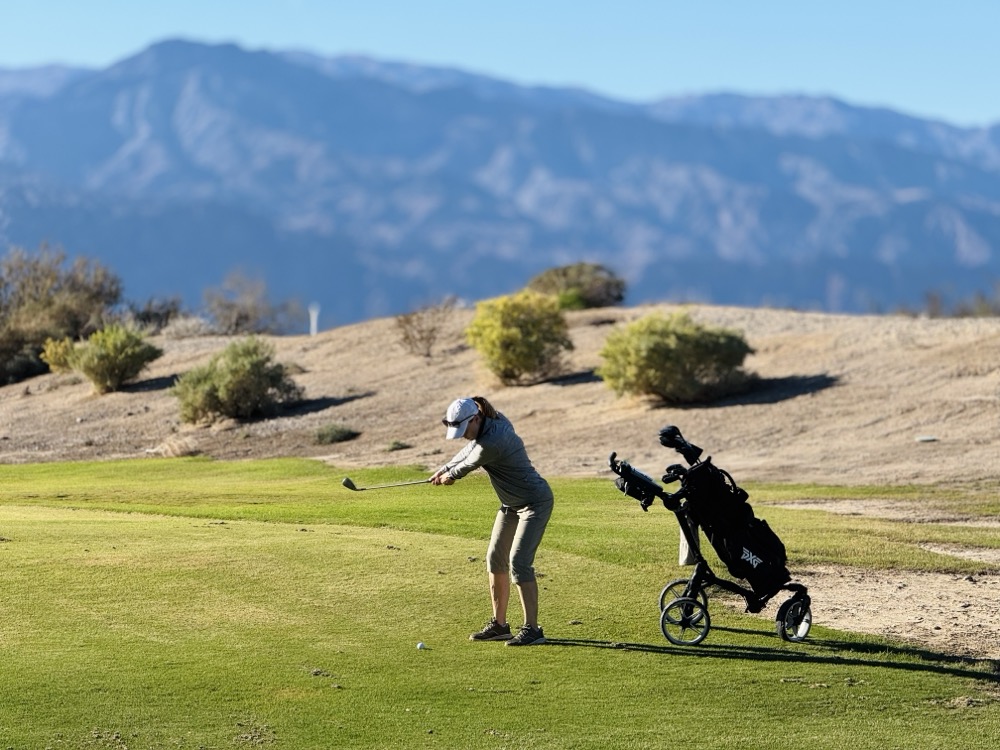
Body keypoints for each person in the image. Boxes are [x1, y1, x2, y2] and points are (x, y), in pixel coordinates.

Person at [430, 396, 553, 646]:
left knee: (519, 562)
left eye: (465, 429)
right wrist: (444, 467)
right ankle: (500, 625)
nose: (464, 435)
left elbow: (470, 462)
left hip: (534, 503)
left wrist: (449, 475)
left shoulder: (493, 441)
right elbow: (468, 449)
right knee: (495, 558)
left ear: (475, 419)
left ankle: (532, 629)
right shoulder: (492, 423)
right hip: (510, 505)